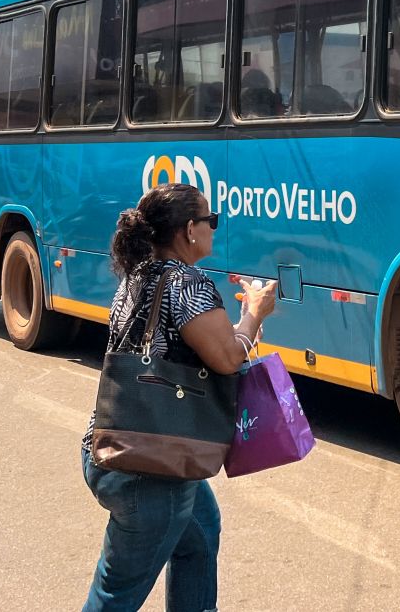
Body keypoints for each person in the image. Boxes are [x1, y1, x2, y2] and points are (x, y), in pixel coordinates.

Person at [81, 182, 277, 611]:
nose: (214, 228)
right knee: (113, 596)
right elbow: (227, 357)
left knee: (200, 534)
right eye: (211, 221)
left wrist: (241, 327)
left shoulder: (137, 276)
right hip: (151, 468)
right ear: (190, 230)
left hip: (114, 447)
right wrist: (254, 314)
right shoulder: (188, 283)